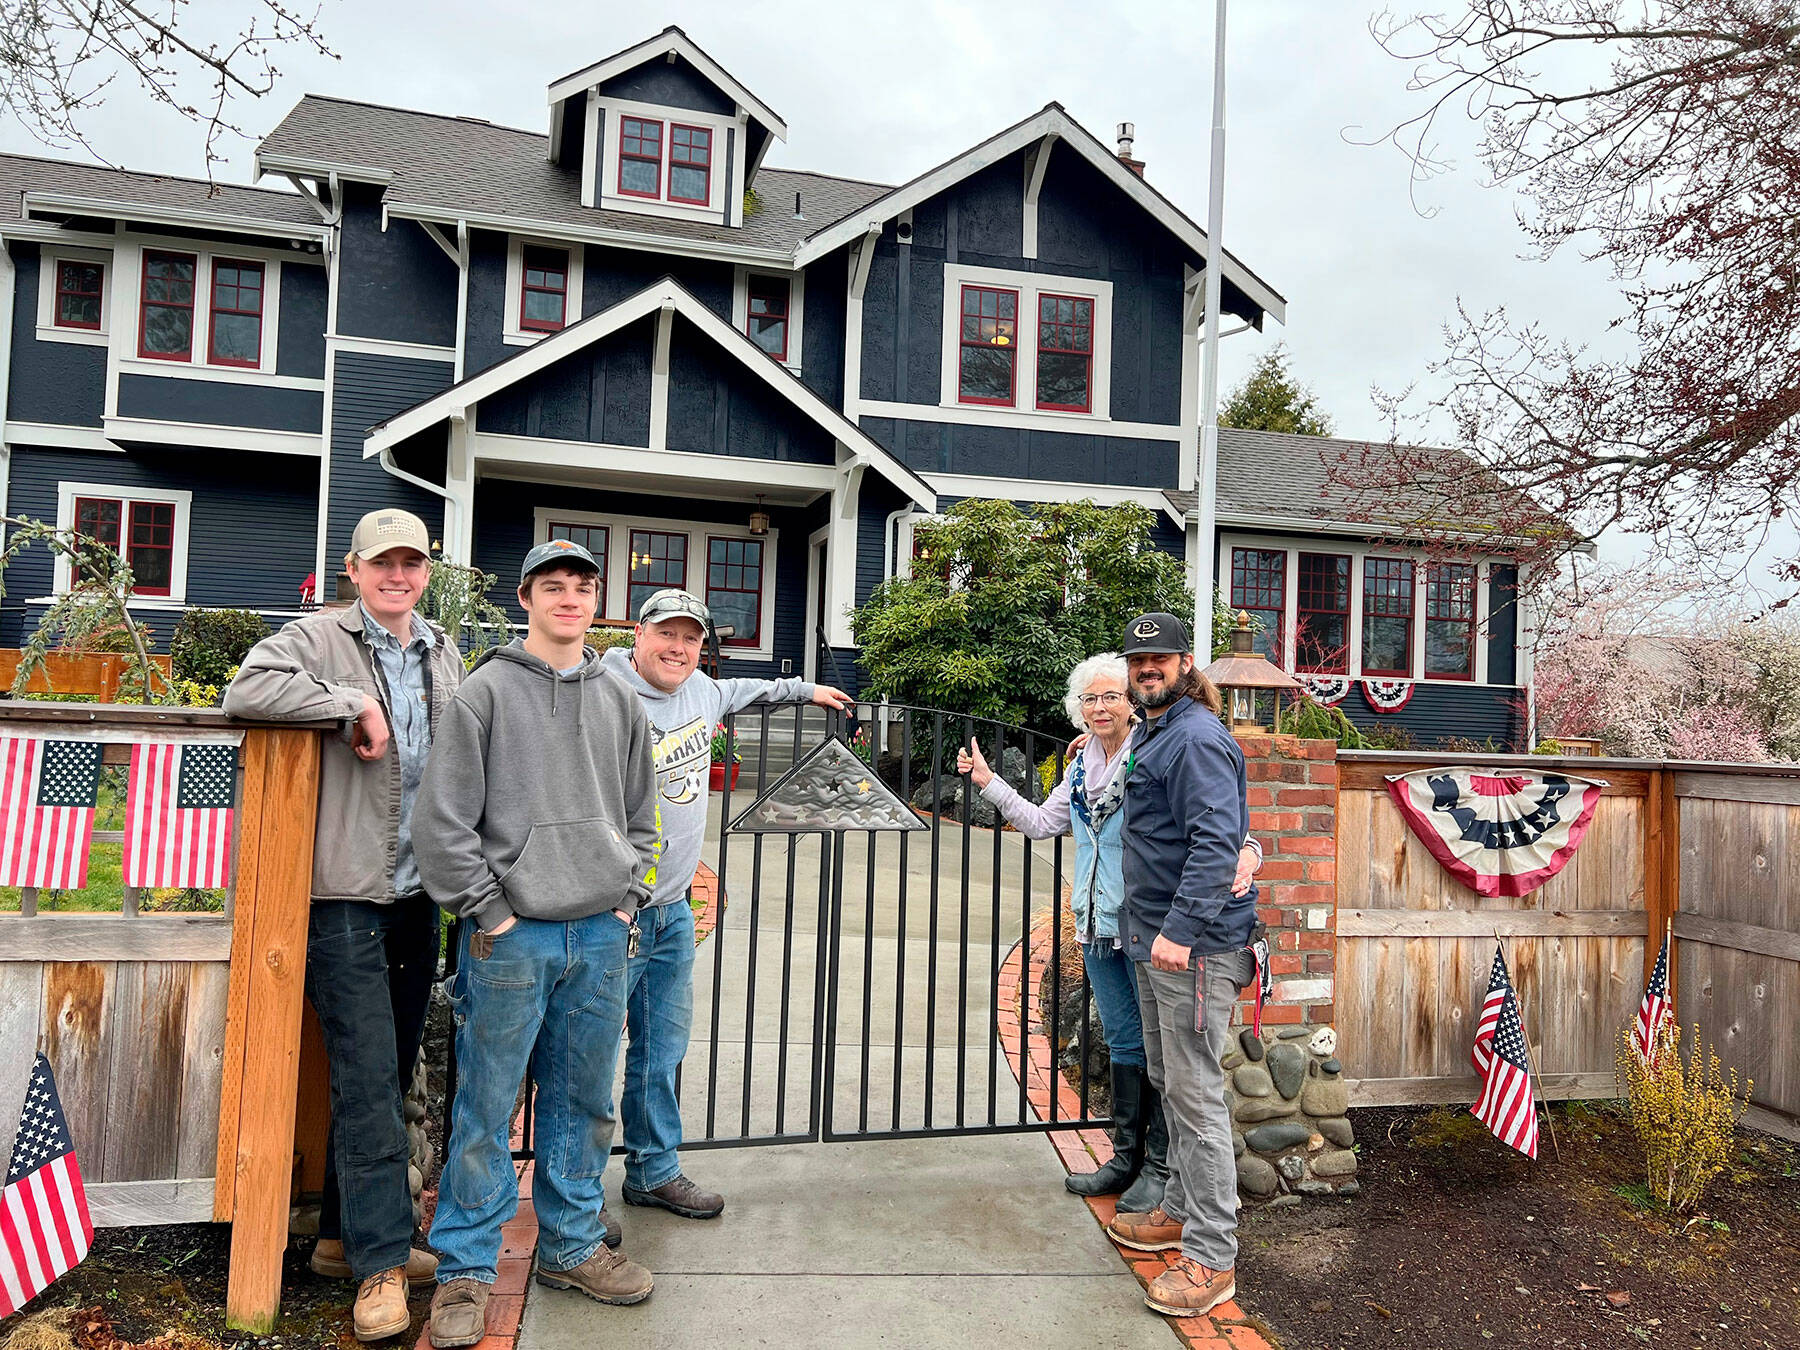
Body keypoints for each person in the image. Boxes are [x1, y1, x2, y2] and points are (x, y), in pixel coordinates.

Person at [222, 508, 462, 1343]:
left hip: (416, 894)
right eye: (383, 564)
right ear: (354, 569)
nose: (399, 577)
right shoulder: (316, 637)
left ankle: (337, 1239)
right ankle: (380, 1269)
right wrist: (350, 700)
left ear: (426, 572)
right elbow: (245, 690)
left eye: (413, 564)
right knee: (363, 1078)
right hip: (344, 895)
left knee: (386, 1070)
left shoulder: (441, 648)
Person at [414, 540, 661, 1347]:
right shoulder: (484, 694)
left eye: (582, 589)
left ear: (597, 604)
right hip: (509, 940)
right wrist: (491, 915)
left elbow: (640, 817)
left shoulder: (620, 699)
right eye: (552, 587)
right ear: (526, 598)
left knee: (583, 1105)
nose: (569, 599)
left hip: (599, 934)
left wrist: (627, 903)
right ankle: (465, 1272)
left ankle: (570, 1245)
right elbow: (442, 826)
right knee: (484, 1109)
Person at [958, 654, 1260, 1210]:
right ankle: (1125, 1158)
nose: (1100, 707)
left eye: (1111, 696)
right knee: (1126, 1042)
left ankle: (1159, 1169)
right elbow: (1044, 823)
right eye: (1089, 699)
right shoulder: (1077, 767)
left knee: (1166, 1055)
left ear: (1133, 702)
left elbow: (1215, 823)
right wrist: (990, 783)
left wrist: (1249, 850)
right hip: (1096, 925)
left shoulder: (1154, 751)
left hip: (1149, 925)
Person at [598, 588, 852, 1218]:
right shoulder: (601, 686)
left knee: (660, 1052)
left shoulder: (704, 692)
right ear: (638, 632)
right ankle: (575, 1196)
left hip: (672, 910)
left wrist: (809, 690)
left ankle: (652, 1171)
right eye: (666, 634)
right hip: (606, 913)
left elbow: (752, 689)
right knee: (587, 1061)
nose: (678, 648)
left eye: (690, 638)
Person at [1102, 611, 1258, 1321]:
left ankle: (1211, 1257)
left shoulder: (1194, 738)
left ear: (1186, 663)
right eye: (1138, 663)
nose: (1148, 670)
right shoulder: (1158, 732)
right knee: (1170, 1080)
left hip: (1190, 950)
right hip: (1156, 943)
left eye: (1159, 660)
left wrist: (1182, 931)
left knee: (1195, 1101)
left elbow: (1217, 843)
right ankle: (1178, 1211)